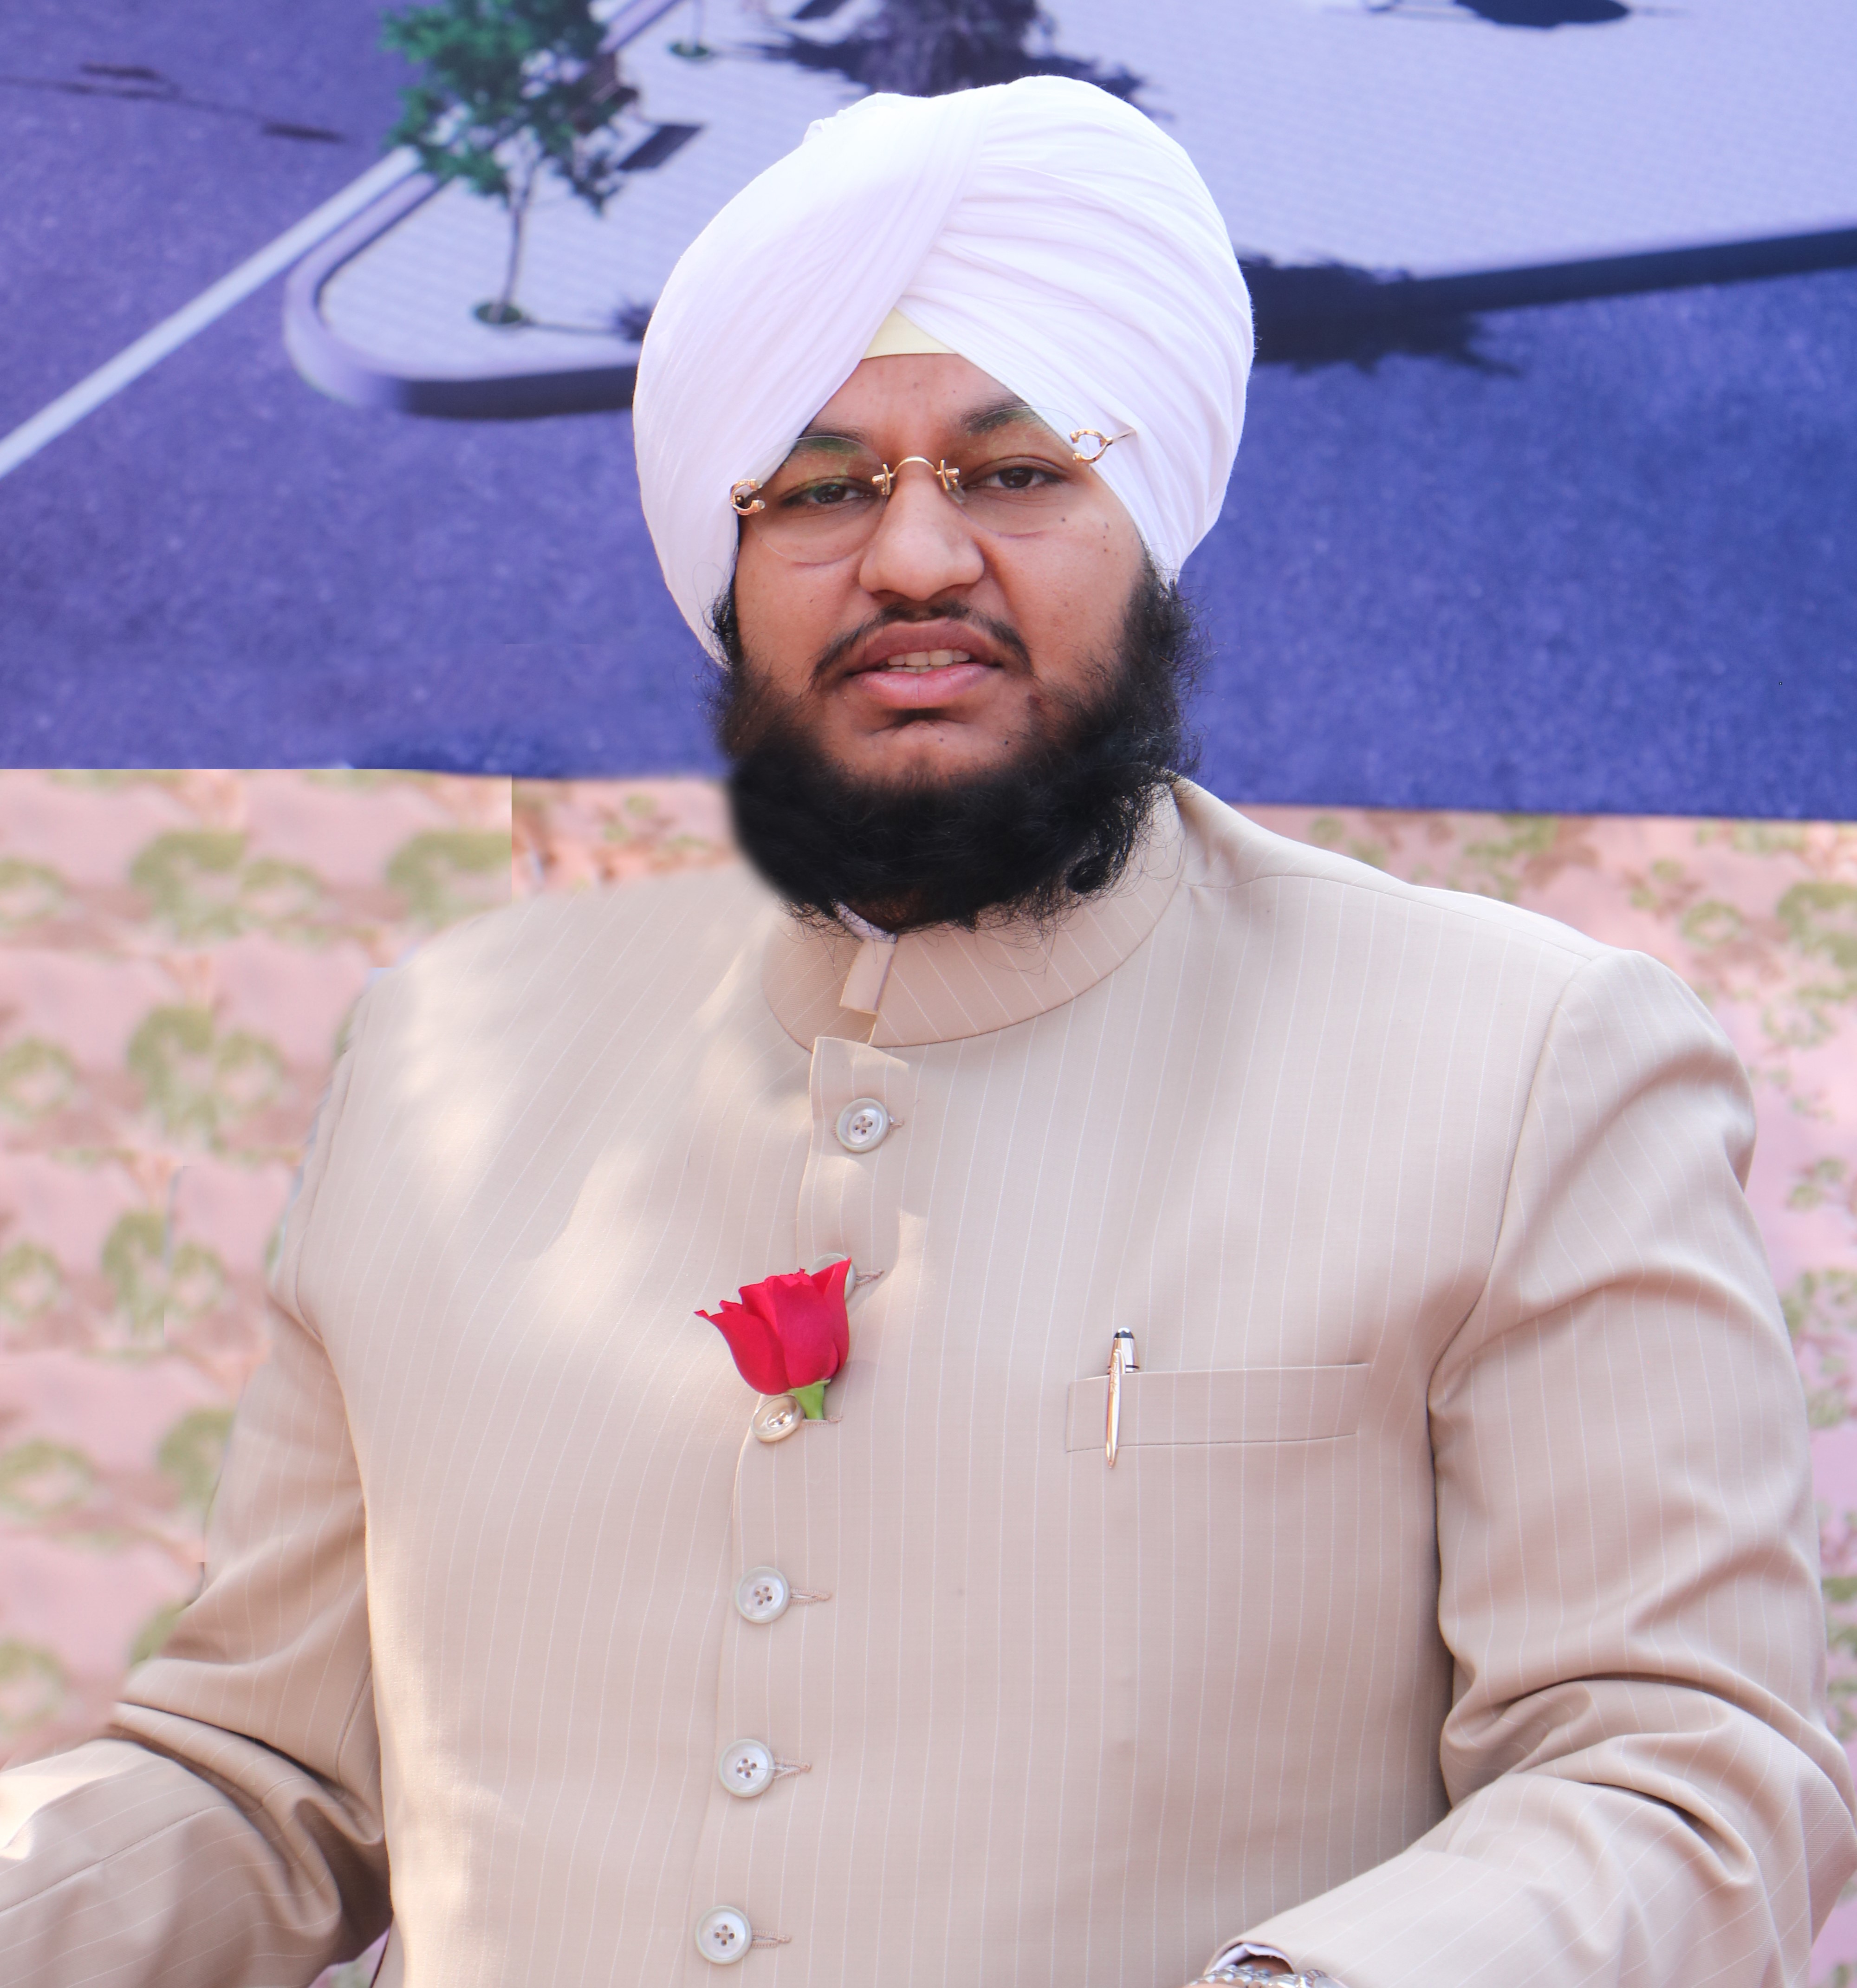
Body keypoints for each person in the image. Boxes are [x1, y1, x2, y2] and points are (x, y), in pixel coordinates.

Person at [0, 75, 1851, 1988]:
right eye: (818, 488)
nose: (912, 559)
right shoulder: (444, 1063)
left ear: (1148, 525)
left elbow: (1678, 1775)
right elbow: (265, 1781)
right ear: (729, 573)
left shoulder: (1520, 1060)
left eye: (1013, 469)